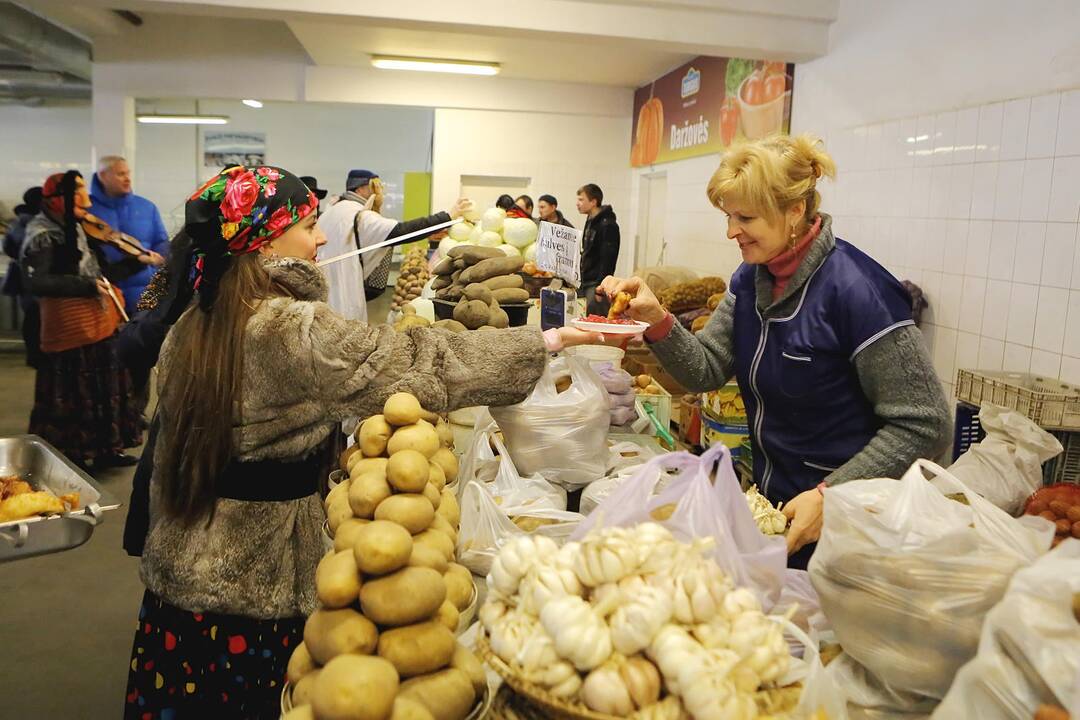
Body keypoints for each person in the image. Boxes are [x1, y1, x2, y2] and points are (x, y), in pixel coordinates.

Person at [124, 165, 600, 717]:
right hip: (253, 582)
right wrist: (548, 339)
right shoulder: (289, 328)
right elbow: (421, 364)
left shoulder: (195, 320)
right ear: (264, 242)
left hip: (182, 568)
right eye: (306, 225)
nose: (321, 236)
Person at [598, 134, 951, 569]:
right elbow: (705, 370)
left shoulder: (859, 292)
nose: (731, 232)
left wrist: (831, 495)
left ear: (795, 210)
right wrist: (656, 318)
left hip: (851, 529)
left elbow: (926, 422)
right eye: (728, 216)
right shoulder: (752, 279)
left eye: (745, 217)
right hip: (776, 508)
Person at [22, 171, 143, 470]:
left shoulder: (75, 227)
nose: (84, 201)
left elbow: (96, 274)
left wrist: (132, 262)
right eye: (75, 193)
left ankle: (106, 449)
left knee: (105, 387)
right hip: (68, 329)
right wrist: (86, 287)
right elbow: (38, 283)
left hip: (98, 323)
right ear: (58, 199)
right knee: (72, 391)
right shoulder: (42, 233)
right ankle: (72, 454)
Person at [318, 169, 470, 322]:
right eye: (374, 187)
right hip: (344, 291)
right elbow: (402, 231)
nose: (379, 193)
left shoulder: (333, 211)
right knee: (345, 332)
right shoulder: (359, 215)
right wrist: (448, 216)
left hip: (322, 288)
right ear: (360, 189)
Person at [89, 156, 168, 309]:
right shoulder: (86, 210)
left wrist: (160, 259)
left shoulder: (147, 207)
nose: (127, 179)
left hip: (144, 293)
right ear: (103, 176)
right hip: (103, 296)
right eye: (120, 174)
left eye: (128, 173)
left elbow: (161, 242)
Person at [3, 186, 44, 367]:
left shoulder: (18, 222)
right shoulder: (34, 224)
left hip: (22, 276)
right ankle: (36, 355)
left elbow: (8, 248)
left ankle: (33, 354)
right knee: (36, 317)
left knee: (31, 315)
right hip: (33, 276)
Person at [577, 183, 620, 315]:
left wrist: (601, 288)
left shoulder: (607, 224)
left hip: (596, 283)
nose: (577, 203)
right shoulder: (590, 220)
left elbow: (608, 259)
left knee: (596, 319)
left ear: (593, 202)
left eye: (581, 199)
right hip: (586, 280)